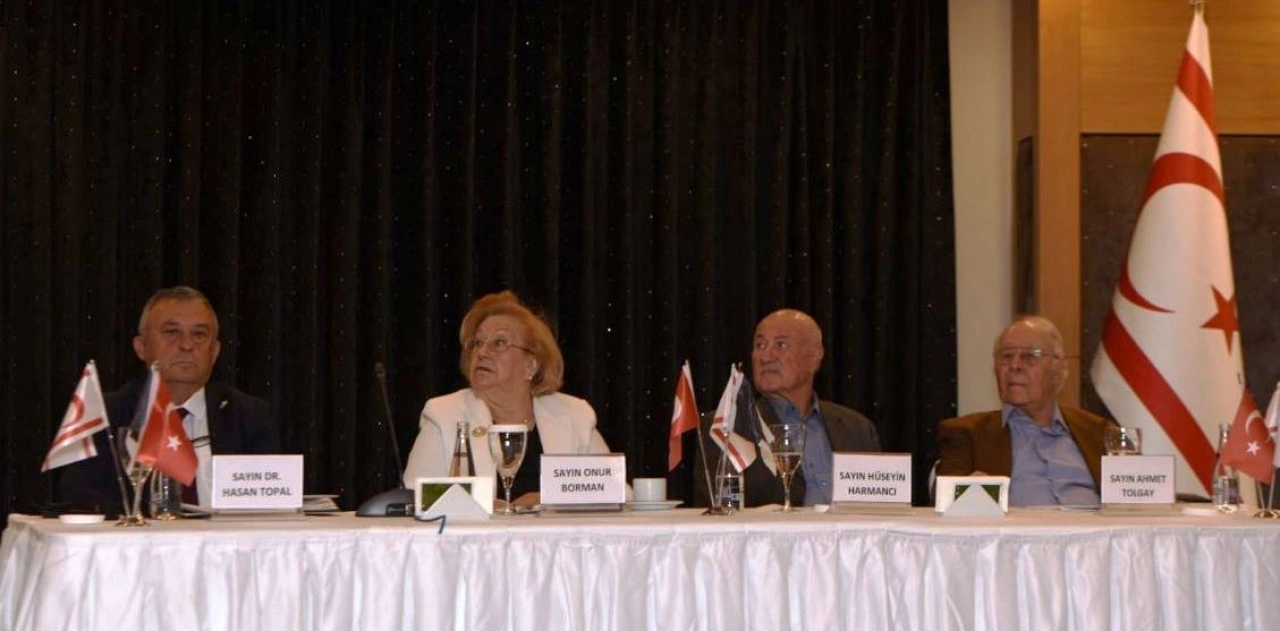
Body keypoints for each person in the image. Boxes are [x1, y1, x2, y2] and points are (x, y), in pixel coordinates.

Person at [57, 286, 280, 509]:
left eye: (199, 334)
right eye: (171, 332)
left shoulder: (250, 416)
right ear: (141, 347)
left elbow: (270, 507)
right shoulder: (104, 416)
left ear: (215, 351)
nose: (187, 345)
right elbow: (79, 504)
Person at [403, 291, 612, 507]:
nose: (482, 352)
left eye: (499, 342)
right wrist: (484, 505)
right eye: (478, 343)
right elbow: (414, 497)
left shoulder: (574, 415)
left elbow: (616, 491)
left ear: (531, 365)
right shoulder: (444, 415)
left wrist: (549, 499)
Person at [698, 309, 881, 507]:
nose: (765, 357)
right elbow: (720, 513)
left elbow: (880, 505)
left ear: (815, 356)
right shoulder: (727, 427)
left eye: (781, 345)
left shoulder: (857, 429)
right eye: (760, 345)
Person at [936, 315, 1111, 506]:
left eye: (1030, 356)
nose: (1015, 365)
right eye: (1006, 356)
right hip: (1016, 526)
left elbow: (1129, 496)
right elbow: (944, 499)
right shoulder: (968, 434)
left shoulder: (1098, 432)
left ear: (1058, 369)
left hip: (1094, 525)